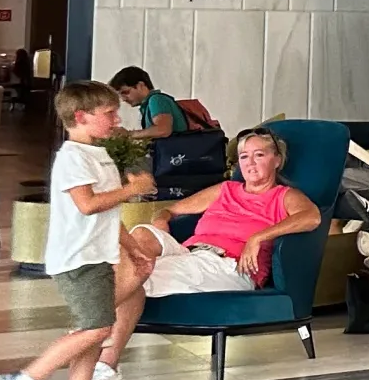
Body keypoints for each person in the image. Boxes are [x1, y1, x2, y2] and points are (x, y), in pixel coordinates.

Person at [0, 81, 157, 380]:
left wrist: (132, 248)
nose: (116, 120)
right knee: (97, 327)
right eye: (109, 113)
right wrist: (133, 189)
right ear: (81, 116)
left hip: (97, 255)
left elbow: (106, 215)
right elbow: (88, 205)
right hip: (78, 259)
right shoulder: (73, 157)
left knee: (93, 328)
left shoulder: (98, 153)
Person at [119, 128, 322, 306]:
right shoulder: (226, 189)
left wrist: (258, 237)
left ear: (277, 160)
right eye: (244, 156)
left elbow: (311, 217)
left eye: (259, 155)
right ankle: (107, 321)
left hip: (230, 266)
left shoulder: (284, 196)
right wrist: (161, 218)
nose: (250, 163)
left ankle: (103, 324)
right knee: (141, 236)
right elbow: (170, 210)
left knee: (135, 273)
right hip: (190, 253)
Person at [109, 67, 190, 141]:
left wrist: (129, 134)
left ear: (141, 85)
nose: (123, 99)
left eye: (126, 92)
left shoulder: (156, 100)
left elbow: (163, 130)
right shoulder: (151, 103)